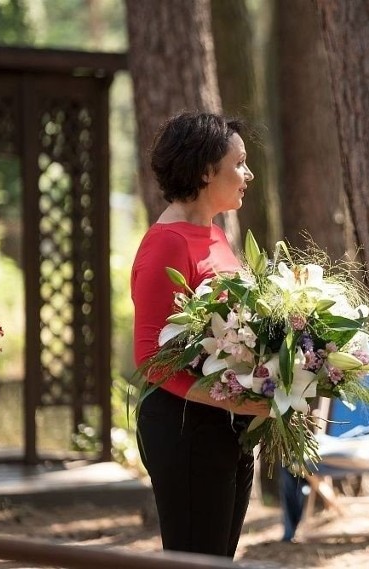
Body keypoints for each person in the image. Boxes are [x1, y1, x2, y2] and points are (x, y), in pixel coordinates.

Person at [131, 111, 270, 557]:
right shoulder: (165, 244)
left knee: (219, 559)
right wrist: (240, 401)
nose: (247, 174)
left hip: (228, 426)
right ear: (207, 170)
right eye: (240, 163)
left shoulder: (213, 234)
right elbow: (153, 359)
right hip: (185, 429)